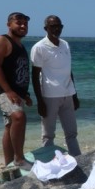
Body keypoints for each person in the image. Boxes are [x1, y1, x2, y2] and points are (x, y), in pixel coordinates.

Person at [30, 15, 81, 156]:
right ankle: (48, 164)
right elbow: (34, 76)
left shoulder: (65, 44)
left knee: (71, 133)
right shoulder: (39, 48)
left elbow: (68, 70)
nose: (56, 29)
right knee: (48, 135)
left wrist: (75, 95)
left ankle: (78, 160)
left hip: (68, 94)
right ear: (46, 28)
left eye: (59, 26)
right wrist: (40, 101)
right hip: (50, 96)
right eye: (52, 26)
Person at [0, 12, 33, 169]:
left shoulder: (20, 46)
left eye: (25, 24)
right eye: (18, 22)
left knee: (10, 125)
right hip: (1, 91)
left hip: (15, 92)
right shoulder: (1, 41)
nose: (22, 26)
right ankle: (19, 159)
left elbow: (18, 72)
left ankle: (8, 164)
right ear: (9, 24)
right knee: (19, 117)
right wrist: (8, 91)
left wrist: (25, 94)